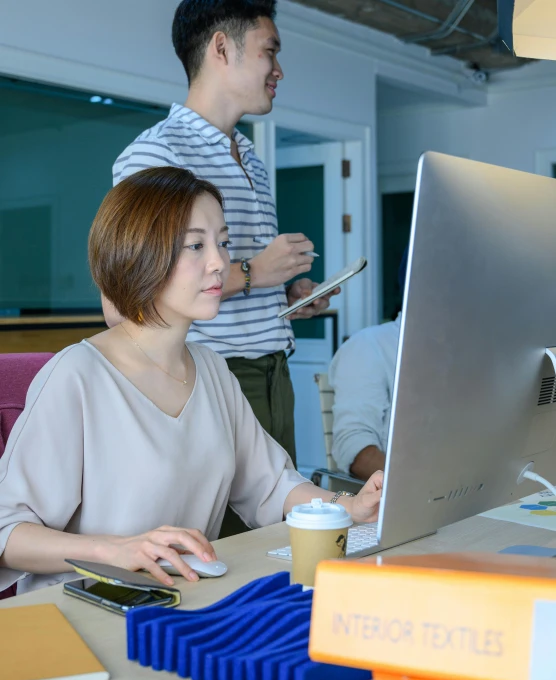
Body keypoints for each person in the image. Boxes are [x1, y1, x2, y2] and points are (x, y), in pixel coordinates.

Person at [0, 167, 382, 595]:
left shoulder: (213, 369)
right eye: (196, 246)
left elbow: (272, 485)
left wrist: (351, 505)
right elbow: (8, 533)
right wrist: (118, 550)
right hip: (82, 609)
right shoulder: (76, 376)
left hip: (180, 602)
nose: (220, 263)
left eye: (221, 242)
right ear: (139, 254)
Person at [109, 0, 339, 475]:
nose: (279, 70)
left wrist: (285, 291)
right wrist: (256, 273)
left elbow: (225, 275)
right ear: (221, 48)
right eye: (269, 51)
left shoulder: (251, 159)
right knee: (223, 542)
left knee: (275, 534)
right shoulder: (157, 153)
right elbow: (127, 301)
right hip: (209, 374)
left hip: (275, 371)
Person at [329, 249, 408, 480]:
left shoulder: (473, 355)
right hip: (415, 500)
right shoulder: (370, 346)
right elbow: (355, 451)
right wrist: (426, 483)